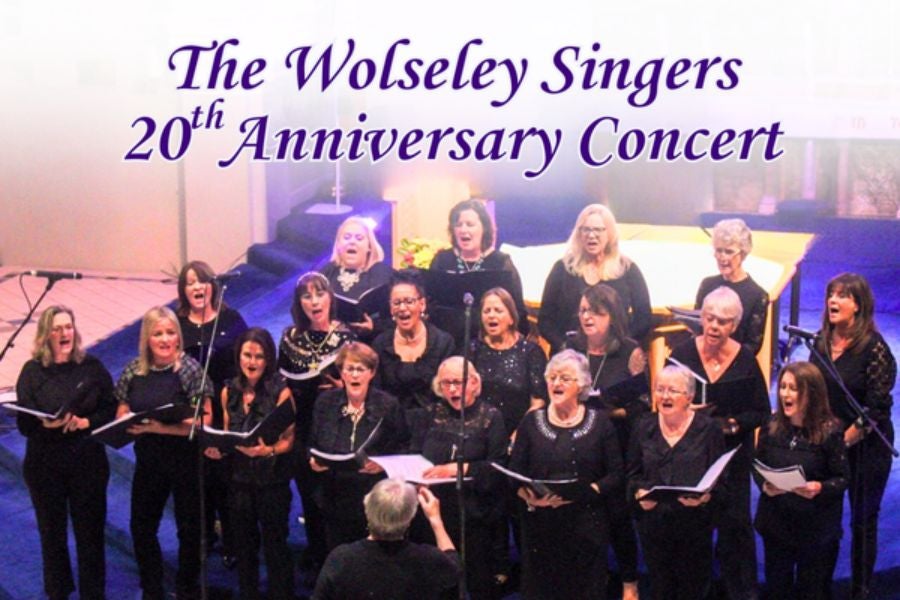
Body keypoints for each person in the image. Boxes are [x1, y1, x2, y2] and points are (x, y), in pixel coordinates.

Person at [670, 286, 770, 600]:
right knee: (693, 523)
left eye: (723, 321)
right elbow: (664, 401)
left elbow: (762, 412)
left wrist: (734, 423)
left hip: (733, 455)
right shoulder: (683, 354)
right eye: (710, 318)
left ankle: (738, 591)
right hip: (693, 454)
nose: (714, 326)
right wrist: (684, 409)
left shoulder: (744, 359)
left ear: (734, 326)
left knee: (735, 525)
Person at [14, 306, 116, 600]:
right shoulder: (32, 372)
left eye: (68, 327)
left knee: (90, 535)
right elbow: (22, 423)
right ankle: (58, 592)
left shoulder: (92, 367)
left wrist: (87, 421)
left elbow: (110, 407)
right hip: (45, 465)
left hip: (87, 462)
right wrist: (44, 423)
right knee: (52, 535)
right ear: (45, 335)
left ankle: (93, 594)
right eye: (57, 329)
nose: (64, 334)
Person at [114, 306, 213, 600]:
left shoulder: (191, 369)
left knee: (189, 529)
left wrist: (159, 427)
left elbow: (205, 419)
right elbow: (122, 406)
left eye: (171, 333)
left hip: (184, 458)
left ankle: (187, 587)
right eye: (158, 334)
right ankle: (152, 587)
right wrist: (125, 419)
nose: (165, 339)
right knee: (141, 527)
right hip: (149, 460)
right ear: (147, 338)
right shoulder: (134, 370)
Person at [508, 350, 623, 600]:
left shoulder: (601, 423)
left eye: (565, 378)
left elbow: (616, 474)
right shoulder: (530, 423)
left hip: (586, 525)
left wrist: (590, 491)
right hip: (541, 527)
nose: (556, 383)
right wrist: (528, 497)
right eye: (552, 377)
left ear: (581, 385)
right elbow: (513, 473)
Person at [809, 273, 896, 600]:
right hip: (829, 443)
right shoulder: (819, 341)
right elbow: (811, 390)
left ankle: (860, 590)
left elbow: (876, 409)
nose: (833, 300)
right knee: (822, 517)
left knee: (862, 520)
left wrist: (843, 441)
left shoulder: (875, 349)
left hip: (866, 448)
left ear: (858, 306)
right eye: (831, 294)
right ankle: (819, 586)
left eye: (842, 296)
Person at [565, 284, 648, 600]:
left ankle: (629, 581)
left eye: (595, 312)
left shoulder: (630, 351)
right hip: (577, 441)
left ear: (611, 317)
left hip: (616, 441)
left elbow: (642, 404)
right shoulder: (571, 346)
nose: (587, 317)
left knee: (617, 517)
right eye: (583, 310)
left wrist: (612, 410)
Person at [204, 327, 296, 600]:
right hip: (239, 481)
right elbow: (229, 434)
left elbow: (289, 441)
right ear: (239, 356)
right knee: (244, 548)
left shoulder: (281, 391)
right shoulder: (227, 391)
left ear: (268, 359)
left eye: (259, 356)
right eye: (247, 355)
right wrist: (218, 449)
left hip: (271, 481)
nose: (252, 362)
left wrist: (267, 450)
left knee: (275, 546)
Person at [407, 356, 507, 599]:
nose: (451, 389)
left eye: (457, 382)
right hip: (434, 508)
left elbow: (499, 467)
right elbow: (413, 453)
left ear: (474, 383)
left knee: (477, 581)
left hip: (474, 512)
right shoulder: (429, 415)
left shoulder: (491, 417)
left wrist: (458, 469)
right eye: (445, 383)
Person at [627, 365, 727, 600]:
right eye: (659, 389)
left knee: (693, 590)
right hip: (655, 526)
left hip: (694, 527)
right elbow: (631, 476)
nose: (665, 396)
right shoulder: (643, 426)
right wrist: (638, 494)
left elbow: (723, 482)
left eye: (673, 390)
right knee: (660, 589)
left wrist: (706, 498)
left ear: (689, 397)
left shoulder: (709, 429)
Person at [470, 286, 547, 588]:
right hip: (483, 437)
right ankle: (497, 567)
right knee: (489, 505)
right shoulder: (474, 350)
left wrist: (517, 436)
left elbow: (538, 400)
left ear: (512, 316)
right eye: (487, 310)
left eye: (498, 310)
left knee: (518, 506)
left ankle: (530, 569)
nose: (491, 315)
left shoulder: (530, 351)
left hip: (520, 438)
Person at [277, 271, 355, 570]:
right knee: (309, 495)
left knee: (336, 496)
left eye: (320, 293)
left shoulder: (346, 337)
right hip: (303, 427)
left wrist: (341, 388)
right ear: (299, 302)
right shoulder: (290, 338)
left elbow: (363, 380)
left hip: (337, 426)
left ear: (330, 297)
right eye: (307, 296)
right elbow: (280, 383)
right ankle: (317, 552)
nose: (314, 301)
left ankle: (342, 558)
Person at [754, 362, 849, 600]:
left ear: (812, 393)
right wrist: (764, 485)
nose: (785, 393)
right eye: (783, 387)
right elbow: (757, 465)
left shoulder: (830, 431)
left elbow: (842, 478)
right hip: (777, 524)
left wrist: (819, 487)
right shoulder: (771, 425)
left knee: (812, 591)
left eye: (793, 388)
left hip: (815, 528)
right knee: (777, 589)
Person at [176, 260, 248, 568]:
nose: (197, 287)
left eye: (202, 281)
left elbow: (246, 360)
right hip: (192, 409)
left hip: (226, 406)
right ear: (183, 290)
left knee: (226, 481)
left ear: (212, 286)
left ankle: (233, 540)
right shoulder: (177, 324)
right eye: (190, 282)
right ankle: (204, 538)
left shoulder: (231, 319)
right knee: (197, 482)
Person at [308, 342, 409, 550]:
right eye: (349, 369)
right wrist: (313, 461)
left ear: (371, 373)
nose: (354, 375)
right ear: (341, 373)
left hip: (373, 495)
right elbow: (313, 442)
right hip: (334, 494)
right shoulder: (325, 403)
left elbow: (404, 446)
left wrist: (383, 466)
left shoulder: (388, 405)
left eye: (360, 369)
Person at [312, 479, 460, 600]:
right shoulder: (429, 560)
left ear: (366, 507)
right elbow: (454, 566)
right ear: (410, 518)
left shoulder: (342, 559)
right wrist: (436, 521)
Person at [539, 204, 652, 354]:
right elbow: (545, 320)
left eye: (598, 229)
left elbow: (644, 318)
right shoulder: (562, 268)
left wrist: (621, 346)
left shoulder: (627, 269)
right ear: (579, 233)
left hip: (614, 356)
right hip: (570, 357)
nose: (591, 235)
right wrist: (565, 347)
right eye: (586, 229)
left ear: (609, 233)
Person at [428, 199, 529, 340]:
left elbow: (518, 310)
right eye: (458, 225)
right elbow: (430, 305)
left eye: (470, 225)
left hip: (490, 342)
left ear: (484, 228)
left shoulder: (500, 262)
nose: (463, 230)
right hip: (447, 342)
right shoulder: (442, 260)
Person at [372, 272, 455, 414]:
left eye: (409, 301)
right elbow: (376, 395)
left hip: (435, 423)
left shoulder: (443, 343)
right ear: (391, 308)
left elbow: (449, 393)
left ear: (422, 304)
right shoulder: (380, 344)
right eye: (397, 303)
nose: (402, 308)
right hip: (391, 424)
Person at [694, 218, 769, 355]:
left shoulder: (757, 295)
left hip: (735, 366)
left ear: (743, 253)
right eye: (718, 250)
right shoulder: (707, 285)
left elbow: (753, 345)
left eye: (728, 252)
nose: (722, 257)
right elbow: (698, 329)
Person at [320, 216, 394, 341]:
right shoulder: (327, 272)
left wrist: (374, 326)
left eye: (359, 238)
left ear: (369, 246)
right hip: (329, 340)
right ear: (338, 244)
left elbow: (395, 316)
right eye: (346, 237)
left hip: (371, 342)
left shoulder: (384, 273)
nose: (352, 242)